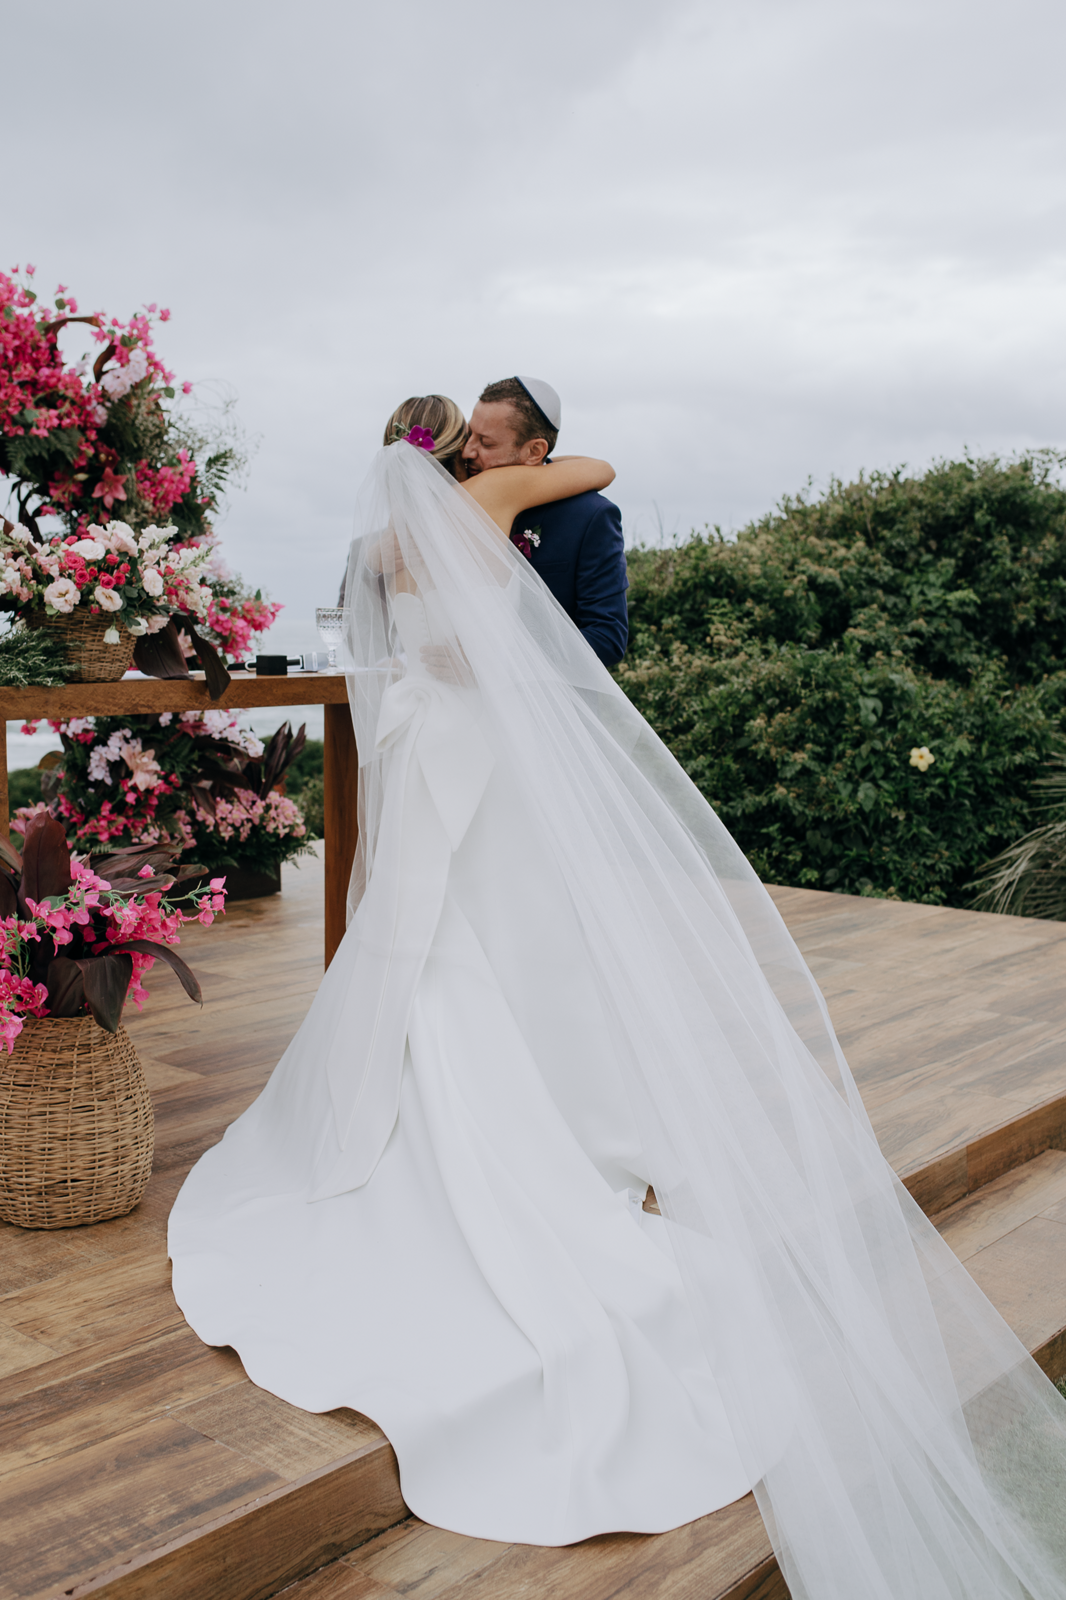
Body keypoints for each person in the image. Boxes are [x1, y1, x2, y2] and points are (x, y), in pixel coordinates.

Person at [170, 397, 1066, 1598]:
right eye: (470, 437)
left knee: (425, 929)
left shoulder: (380, 546)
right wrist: (519, 467)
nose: (481, 451)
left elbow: (405, 628)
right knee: (475, 929)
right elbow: (590, 464)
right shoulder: (492, 498)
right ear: (457, 452)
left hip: (427, 741)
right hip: (479, 741)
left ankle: (442, 1097)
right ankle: (523, 1111)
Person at [462, 377, 629, 666]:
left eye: (486, 443)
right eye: (469, 435)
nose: (468, 451)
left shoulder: (590, 515)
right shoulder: (458, 495)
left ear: (534, 452)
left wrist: (497, 661)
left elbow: (607, 637)